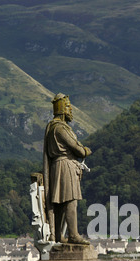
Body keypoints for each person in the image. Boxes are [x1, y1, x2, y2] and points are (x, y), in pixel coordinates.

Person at [43, 93, 92, 244]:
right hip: (65, 166)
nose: (71, 111)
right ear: (63, 109)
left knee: (60, 202)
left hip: (59, 167)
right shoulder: (60, 128)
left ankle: (58, 235)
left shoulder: (54, 128)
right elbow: (78, 150)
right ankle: (73, 235)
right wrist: (85, 150)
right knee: (71, 200)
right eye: (69, 107)